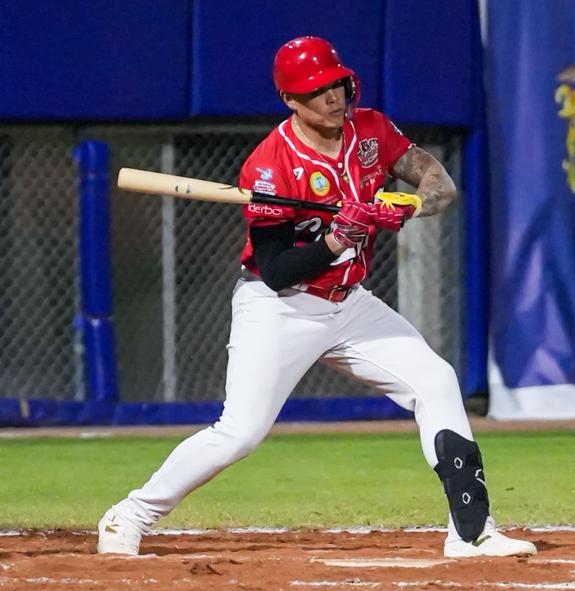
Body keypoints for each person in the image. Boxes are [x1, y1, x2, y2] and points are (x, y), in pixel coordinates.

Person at [97, 36, 536, 559]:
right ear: (290, 100)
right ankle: (131, 514)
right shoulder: (270, 164)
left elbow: (438, 183)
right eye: (315, 90)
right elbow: (279, 270)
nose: (331, 97)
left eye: (335, 84)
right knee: (240, 434)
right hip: (279, 306)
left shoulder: (370, 128)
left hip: (350, 302)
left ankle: (472, 531)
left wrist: (408, 207)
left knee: (435, 380)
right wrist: (336, 237)